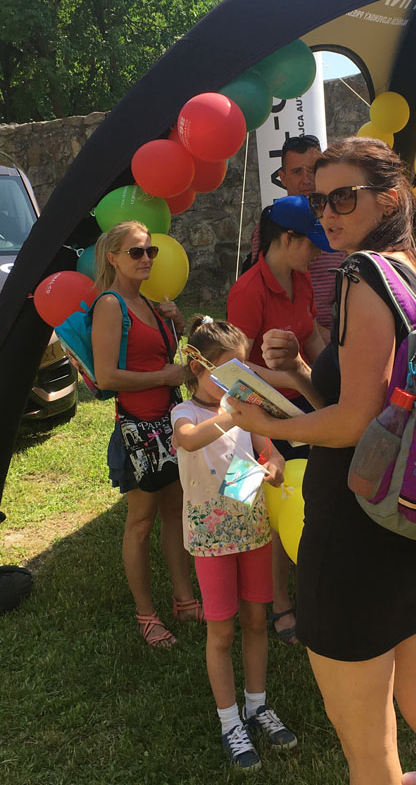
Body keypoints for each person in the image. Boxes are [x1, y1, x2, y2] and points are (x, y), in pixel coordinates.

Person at [229, 137, 416, 785]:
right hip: (408, 521)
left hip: (353, 530)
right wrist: (300, 375)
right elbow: (380, 409)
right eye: (317, 200)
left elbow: (356, 423)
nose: (326, 214)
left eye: (342, 198)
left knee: (370, 753)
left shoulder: (363, 274)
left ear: (388, 199)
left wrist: (263, 423)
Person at [170, 316, 297, 770]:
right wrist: (232, 414)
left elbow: (271, 451)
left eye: (243, 371)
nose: (238, 382)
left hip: (253, 530)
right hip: (211, 541)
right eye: (228, 373)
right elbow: (188, 441)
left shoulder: (245, 410)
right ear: (196, 368)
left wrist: (274, 465)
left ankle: (257, 705)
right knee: (221, 631)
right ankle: (230, 722)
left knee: (256, 620)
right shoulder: (185, 413)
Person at [228, 193, 335, 644]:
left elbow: (313, 340)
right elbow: (234, 367)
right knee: (276, 505)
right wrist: (292, 374)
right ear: (286, 239)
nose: (316, 253)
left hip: (304, 403)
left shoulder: (302, 279)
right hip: (264, 415)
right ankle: (279, 602)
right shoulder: (247, 291)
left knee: (314, 495)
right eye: (310, 243)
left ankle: (314, 587)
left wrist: (331, 382)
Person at [90, 220, 199, 648]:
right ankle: (146, 615)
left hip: (169, 424)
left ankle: (185, 601)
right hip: (138, 428)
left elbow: (163, 356)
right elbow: (106, 377)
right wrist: (162, 376)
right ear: (113, 258)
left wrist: (178, 325)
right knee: (140, 521)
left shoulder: (151, 304)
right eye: (136, 252)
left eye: (150, 251)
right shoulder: (110, 305)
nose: (146, 258)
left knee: (176, 512)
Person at [248, 134, 347, 333]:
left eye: (312, 170)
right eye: (297, 171)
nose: (306, 179)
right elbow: (260, 293)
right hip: (286, 336)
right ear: (283, 177)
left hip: (334, 335)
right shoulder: (270, 227)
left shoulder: (342, 222)